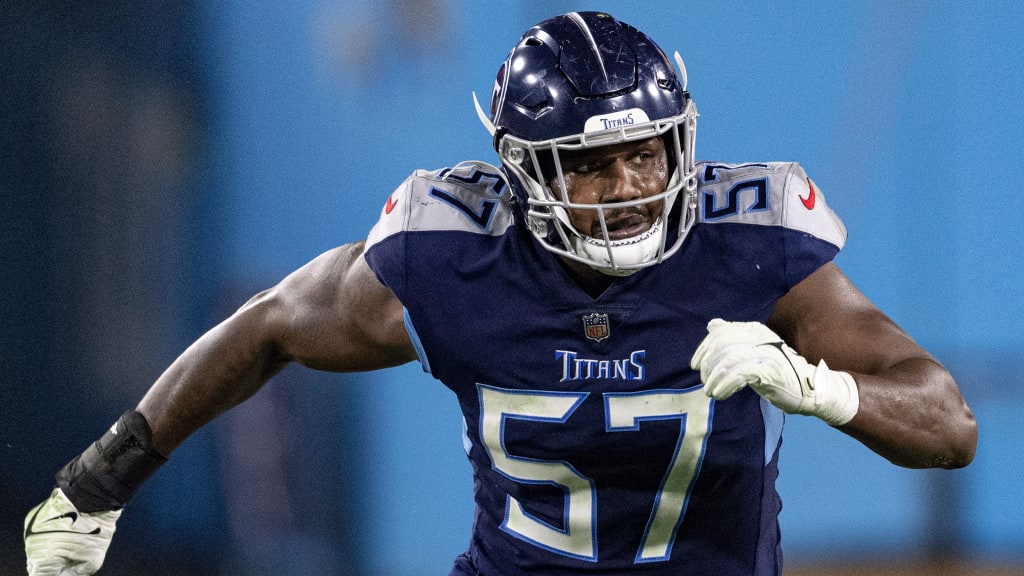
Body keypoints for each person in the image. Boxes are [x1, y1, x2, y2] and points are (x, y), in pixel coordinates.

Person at [24, 10, 977, 576]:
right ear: (524, 176)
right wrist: (96, 485)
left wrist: (826, 391)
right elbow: (267, 326)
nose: (630, 187)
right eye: (590, 165)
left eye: (646, 153)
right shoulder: (450, 260)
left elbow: (950, 428)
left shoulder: (756, 248)